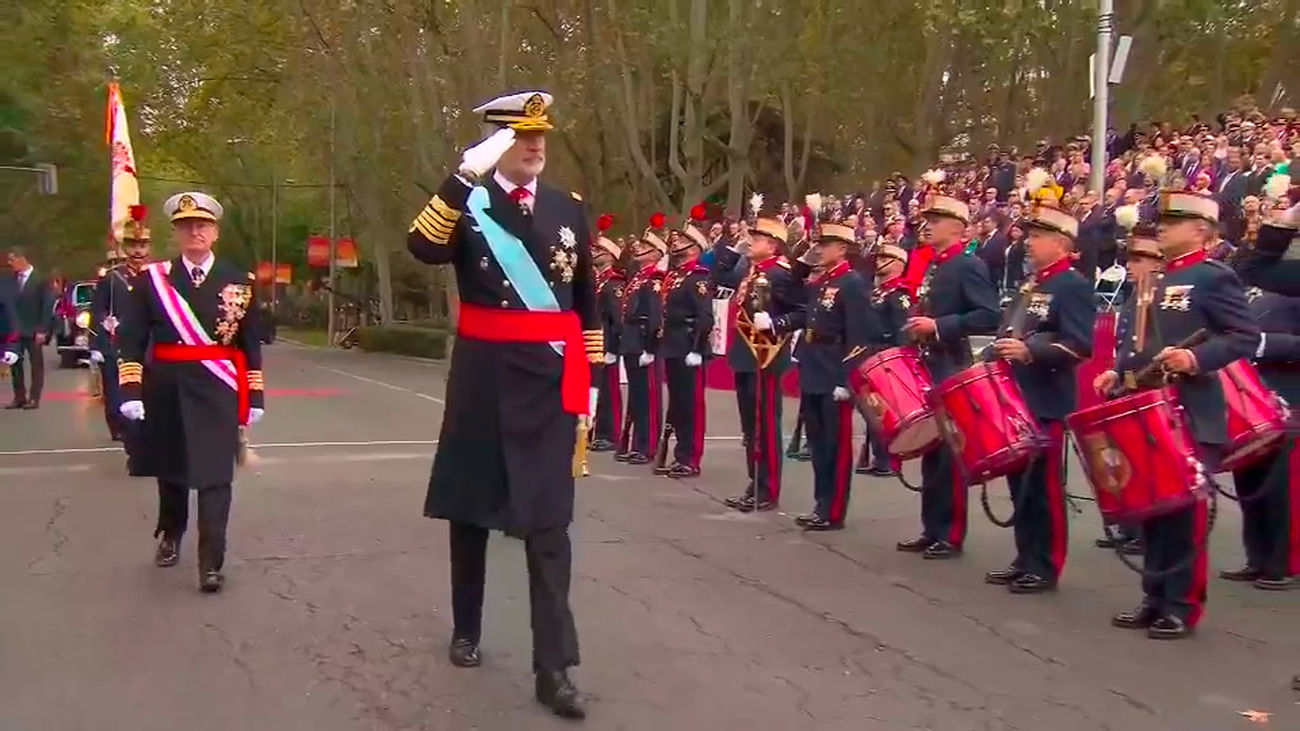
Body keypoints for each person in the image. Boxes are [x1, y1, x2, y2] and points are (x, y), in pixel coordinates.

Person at [404, 90, 598, 719]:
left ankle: (555, 669)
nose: (537, 145)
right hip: (483, 381)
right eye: (522, 135)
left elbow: (585, 301)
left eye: (542, 135)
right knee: (471, 511)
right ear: (496, 143)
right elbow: (422, 248)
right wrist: (464, 176)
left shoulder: (570, 209)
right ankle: (467, 626)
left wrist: (590, 377)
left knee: (549, 527)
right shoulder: (469, 205)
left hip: (548, 384)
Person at [1095, 191, 1258, 639]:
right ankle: (1154, 596)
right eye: (1162, 220)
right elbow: (1142, 344)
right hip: (1145, 406)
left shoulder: (1213, 278)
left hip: (1188, 406)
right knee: (1151, 507)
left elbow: (1243, 336)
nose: (1162, 227)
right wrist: (1118, 371)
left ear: (1201, 231)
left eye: (1175, 221)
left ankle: (1181, 605)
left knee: (1182, 511)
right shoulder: (1157, 280)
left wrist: (1196, 359)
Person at [115, 191, 265, 594]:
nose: (194, 231)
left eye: (202, 225)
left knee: (216, 477)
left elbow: (250, 345)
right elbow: (130, 337)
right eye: (186, 226)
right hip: (166, 385)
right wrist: (130, 389)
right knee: (173, 470)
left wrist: (256, 397)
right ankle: (171, 531)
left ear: (215, 232)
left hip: (218, 388)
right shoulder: (153, 281)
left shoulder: (240, 281)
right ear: (177, 234)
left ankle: (211, 562)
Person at [983, 199, 1095, 594]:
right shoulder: (1033, 283)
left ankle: (1045, 564)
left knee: (1044, 487)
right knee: (1020, 485)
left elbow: (1081, 345)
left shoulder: (1072, 285)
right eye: (1028, 235)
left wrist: (1033, 352)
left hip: (1046, 397)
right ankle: (1025, 556)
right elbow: (1008, 330)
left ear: (1062, 242)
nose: (1028, 243)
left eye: (1038, 236)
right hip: (1016, 396)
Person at [897, 196, 999, 559]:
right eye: (927, 219)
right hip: (929, 361)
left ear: (958, 227)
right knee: (931, 451)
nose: (928, 225)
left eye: (937, 220)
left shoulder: (967, 265)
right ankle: (932, 527)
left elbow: (989, 315)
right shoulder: (935, 265)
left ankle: (950, 532)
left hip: (950, 364)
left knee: (949, 454)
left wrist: (939, 325)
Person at [1222, 216, 1300, 590]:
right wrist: (1282, 223)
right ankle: (1257, 556)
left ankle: (1283, 563)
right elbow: (1253, 268)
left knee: (1282, 485)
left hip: (1290, 391)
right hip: (1252, 394)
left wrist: (1267, 344)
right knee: (1250, 478)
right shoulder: (1282, 273)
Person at [785, 223, 878, 530]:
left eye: (825, 245)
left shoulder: (852, 284)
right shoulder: (823, 281)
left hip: (834, 368)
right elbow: (795, 292)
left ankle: (833, 509)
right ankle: (820, 503)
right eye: (818, 244)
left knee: (835, 446)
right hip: (813, 365)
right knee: (818, 443)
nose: (819, 250)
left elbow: (859, 336)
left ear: (842, 248)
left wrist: (846, 379)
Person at [713, 212, 805, 512]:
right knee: (750, 427)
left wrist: (777, 323)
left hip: (765, 356)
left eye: (756, 239)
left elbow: (802, 311)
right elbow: (720, 277)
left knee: (765, 424)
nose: (750, 242)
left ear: (773, 244)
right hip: (745, 354)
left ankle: (768, 488)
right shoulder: (752, 270)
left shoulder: (781, 274)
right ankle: (755, 482)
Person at [1094, 228, 1164, 556]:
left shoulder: (1160, 293)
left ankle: (1146, 531)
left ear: (1156, 262)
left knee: (1148, 460)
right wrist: (1115, 371)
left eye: (1139, 259)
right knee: (1127, 457)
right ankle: (1129, 526)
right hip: (1133, 382)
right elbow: (1127, 346)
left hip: (1153, 384)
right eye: (1131, 259)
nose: (1131, 266)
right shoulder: (1137, 293)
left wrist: (1129, 378)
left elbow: (1152, 349)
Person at [655, 210, 714, 477]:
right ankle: (680, 454)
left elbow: (705, 317)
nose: (675, 243)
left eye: (682, 241)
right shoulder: (676, 275)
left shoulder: (698, 277)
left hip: (689, 343)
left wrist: (697, 349)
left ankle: (691, 457)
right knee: (678, 404)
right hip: (673, 342)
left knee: (691, 405)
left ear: (695, 248)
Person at [91, 205, 153, 444]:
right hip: (115, 340)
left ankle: (142, 425)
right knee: (115, 388)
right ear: (125, 247)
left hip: (145, 342)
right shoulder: (111, 277)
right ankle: (118, 425)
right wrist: (99, 337)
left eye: (142, 246)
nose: (138, 251)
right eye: (133, 246)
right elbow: (97, 310)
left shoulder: (155, 277)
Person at [857, 243, 911, 476]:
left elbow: (902, 330)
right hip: (870, 352)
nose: (879, 261)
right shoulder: (878, 291)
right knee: (871, 409)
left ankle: (887, 459)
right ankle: (879, 456)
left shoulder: (899, 294)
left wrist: (896, 360)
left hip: (885, 355)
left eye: (886, 258)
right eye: (879, 257)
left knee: (882, 411)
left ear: (898, 264)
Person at [616, 223, 667, 465]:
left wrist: (650, 347)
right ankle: (637, 443)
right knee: (637, 396)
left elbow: (655, 315)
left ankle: (647, 445)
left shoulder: (655, 278)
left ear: (656, 254)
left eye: (646, 246)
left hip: (644, 339)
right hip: (632, 339)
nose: (639, 248)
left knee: (647, 397)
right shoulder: (639, 277)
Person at [590, 219, 625, 453]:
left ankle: (609, 433)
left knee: (609, 391)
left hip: (607, 343)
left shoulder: (613, 283)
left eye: (599, 250)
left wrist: (613, 347)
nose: (594, 252)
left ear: (610, 255)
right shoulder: (598, 280)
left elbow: (616, 319)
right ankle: (597, 430)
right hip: (596, 342)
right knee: (598, 389)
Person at [5, 247, 54, 410]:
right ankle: (19, 397)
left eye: (12, 260)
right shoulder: (11, 280)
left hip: (34, 329)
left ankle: (34, 398)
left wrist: (42, 329)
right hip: (15, 330)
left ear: (22, 259)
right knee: (14, 363)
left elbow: (47, 305)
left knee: (36, 365)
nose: (10, 264)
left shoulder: (41, 279)